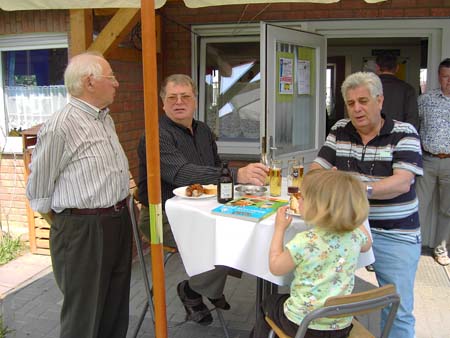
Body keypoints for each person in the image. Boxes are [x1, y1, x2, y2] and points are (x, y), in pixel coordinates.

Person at [137, 74, 268, 325]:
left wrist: (242, 194)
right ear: (162, 102)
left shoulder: (204, 130)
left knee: (243, 231)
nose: (179, 102)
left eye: (185, 96)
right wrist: (236, 174)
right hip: (158, 216)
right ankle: (197, 289)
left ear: (195, 100)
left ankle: (196, 289)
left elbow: (215, 168)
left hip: (203, 210)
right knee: (221, 242)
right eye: (172, 97)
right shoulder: (155, 135)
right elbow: (181, 173)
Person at [26, 52, 132, 338]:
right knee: (83, 315)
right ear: (90, 82)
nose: (117, 84)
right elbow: (39, 189)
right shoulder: (62, 124)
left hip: (117, 221)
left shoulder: (104, 119)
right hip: (84, 229)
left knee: (115, 306)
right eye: (111, 78)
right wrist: (72, 223)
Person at [310, 71, 423, 338]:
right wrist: (327, 180)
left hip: (393, 231)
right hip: (344, 227)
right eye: (351, 103)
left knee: (398, 307)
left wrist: (351, 188)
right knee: (321, 293)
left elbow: (400, 184)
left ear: (379, 101)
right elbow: (316, 172)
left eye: (363, 100)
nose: (357, 109)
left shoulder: (404, 133)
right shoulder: (339, 129)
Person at [250, 169, 372, 338]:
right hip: (341, 326)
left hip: (303, 326)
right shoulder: (355, 236)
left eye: (304, 197)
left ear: (319, 207)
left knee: (268, 303)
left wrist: (279, 230)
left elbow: (276, 267)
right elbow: (368, 244)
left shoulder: (305, 241)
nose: (298, 200)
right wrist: (350, 214)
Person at [416, 58, 450, 266]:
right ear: (439, 77)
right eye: (446, 77)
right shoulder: (425, 100)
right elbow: (413, 124)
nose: (449, 81)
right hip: (427, 160)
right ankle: (412, 247)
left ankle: (441, 248)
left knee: (447, 209)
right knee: (418, 205)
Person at [375, 52, 419, 130]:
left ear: (377, 67)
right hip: (399, 137)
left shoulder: (368, 88)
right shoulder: (407, 89)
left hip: (372, 137)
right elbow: (412, 119)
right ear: (397, 68)